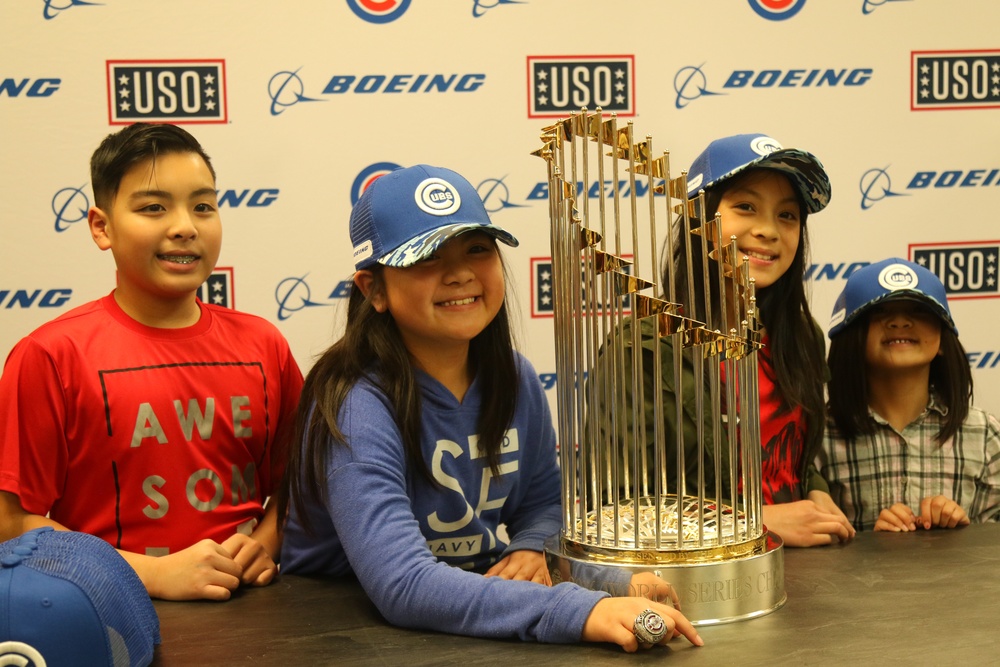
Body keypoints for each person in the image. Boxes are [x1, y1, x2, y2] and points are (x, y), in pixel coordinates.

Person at [277, 164, 702, 651]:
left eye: (477, 248)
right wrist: (585, 606)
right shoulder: (354, 402)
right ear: (373, 289)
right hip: (336, 632)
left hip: (457, 616)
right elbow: (402, 584)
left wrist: (554, 556)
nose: (460, 273)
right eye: (426, 255)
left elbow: (544, 505)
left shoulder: (515, 377)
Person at [0, 123, 304, 601]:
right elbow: (11, 523)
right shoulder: (50, 356)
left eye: (203, 206)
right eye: (153, 208)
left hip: (256, 614)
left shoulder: (265, 344)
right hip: (107, 616)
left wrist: (265, 543)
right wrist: (151, 576)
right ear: (102, 227)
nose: (185, 225)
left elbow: (302, 488)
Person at [594, 133, 855, 547]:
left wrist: (817, 489)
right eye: (746, 207)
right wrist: (757, 521)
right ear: (700, 219)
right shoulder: (641, 346)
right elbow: (618, 508)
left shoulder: (803, 338)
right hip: (704, 586)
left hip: (807, 571)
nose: (768, 230)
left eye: (787, 215)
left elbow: (787, 460)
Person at [819, 257, 1000, 531]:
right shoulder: (818, 436)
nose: (900, 321)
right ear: (850, 336)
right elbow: (805, 547)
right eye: (879, 312)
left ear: (943, 337)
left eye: (918, 310)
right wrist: (864, 547)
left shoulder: (985, 434)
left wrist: (966, 535)